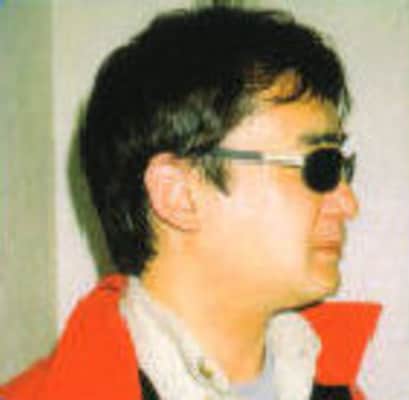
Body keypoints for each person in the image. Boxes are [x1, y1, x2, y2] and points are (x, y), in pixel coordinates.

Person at [0, 6, 381, 400]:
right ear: (178, 194)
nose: (348, 203)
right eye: (320, 165)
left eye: (342, 169)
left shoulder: (335, 386)